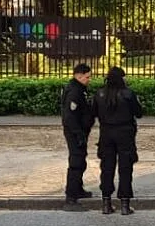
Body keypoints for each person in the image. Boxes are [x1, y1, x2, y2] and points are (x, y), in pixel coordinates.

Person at [92, 66, 144, 215]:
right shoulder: (128, 94)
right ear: (121, 78)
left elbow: (93, 112)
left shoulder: (100, 94)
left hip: (106, 133)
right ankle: (125, 205)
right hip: (125, 133)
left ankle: (106, 203)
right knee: (125, 168)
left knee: (107, 168)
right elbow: (139, 113)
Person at [61, 63, 95, 209]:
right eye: (87, 77)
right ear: (79, 76)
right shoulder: (74, 91)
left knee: (81, 160)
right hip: (75, 132)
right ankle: (71, 197)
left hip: (80, 131)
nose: (89, 79)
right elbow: (69, 116)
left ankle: (78, 189)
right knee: (76, 162)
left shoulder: (80, 89)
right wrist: (78, 134)